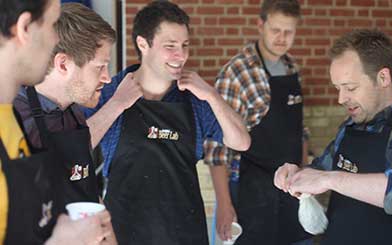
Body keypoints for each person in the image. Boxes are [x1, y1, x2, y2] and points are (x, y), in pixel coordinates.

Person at [83, 1, 250, 244]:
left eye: (184, 46)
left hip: (185, 233)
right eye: (170, 46)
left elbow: (242, 141)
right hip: (122, 234)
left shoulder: (195, 100)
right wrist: (118, 103)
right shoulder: (110, 92)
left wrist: (212, 95)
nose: (180, 56)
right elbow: (75, 148)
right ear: (143, 44)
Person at [274, 29, 392, 245]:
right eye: (337, 88)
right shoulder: (350, 126)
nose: (341, 98)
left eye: (350, 87)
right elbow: (321, 170)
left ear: (383, 77)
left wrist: (331, 179)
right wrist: (297, 174)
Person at [0, 0, 112, 244]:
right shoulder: (18, 116)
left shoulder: (9, 117)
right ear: (25, 28)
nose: (55, 40)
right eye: (52, 26)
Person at [203, 0, 312, 244]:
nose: (282, 38)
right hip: (249, 193)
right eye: (276, 30)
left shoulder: (292, 67)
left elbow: (299, 130)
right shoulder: (236, 72)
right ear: (260, 25)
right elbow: (215, 149)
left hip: (291, 189)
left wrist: (305, 173)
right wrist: (223, 204)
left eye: (289, 32)